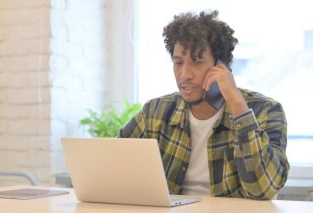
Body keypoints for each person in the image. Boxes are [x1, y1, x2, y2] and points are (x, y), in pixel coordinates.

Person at [118, 10, 289, 200]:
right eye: (178, 62)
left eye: (197, 62)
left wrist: (237, 104)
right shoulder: (155, 112)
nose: (184, 74)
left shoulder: (266, 111)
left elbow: (263, 189)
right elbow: (113, 164)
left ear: (222, 67)